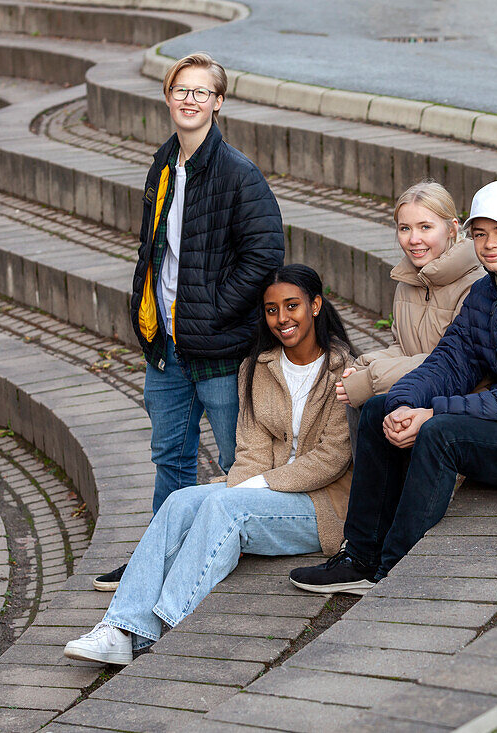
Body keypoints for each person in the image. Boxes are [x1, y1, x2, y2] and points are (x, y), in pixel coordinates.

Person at [289, 180, 497, 594]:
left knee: (441, 432)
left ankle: (392, 571)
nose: (490, 244)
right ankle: (360, 555)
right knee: (377, 411)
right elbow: (450, 361)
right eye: (481, 233)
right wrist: (403, 404)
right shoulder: (488, 292)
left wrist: (432, 413)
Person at [65, 265, 355, 665]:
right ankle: (119, 626)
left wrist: (252, 489)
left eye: (292, 306)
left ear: (316, 305)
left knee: (224, 507)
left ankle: (159, 629)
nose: (282, 319)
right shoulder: (257, 367)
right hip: (260, 491)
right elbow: (250, 448)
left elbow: (333, 458)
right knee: (181, 502)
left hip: (320, 505)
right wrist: (243, 486)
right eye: (272, 310)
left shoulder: (345, 368)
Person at [94, 53, 284, 592]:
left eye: (202, 92)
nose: (190, 99)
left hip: (221, 347)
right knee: (170, 457)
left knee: (236, 456)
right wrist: (147, 310)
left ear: (218, 103)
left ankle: (237, 555)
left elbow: (265, 256)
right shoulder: (163, 163)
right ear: (168, 96)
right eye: (181, 89)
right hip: (168, 346)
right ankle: (159, 557)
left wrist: (215, 310)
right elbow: (153, 249)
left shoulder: (239, 174)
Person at [336, 181, 484, 441]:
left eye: (425, 227)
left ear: (451, 229)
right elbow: (404, 348)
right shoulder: (409, 280)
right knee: (364, 402)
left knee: (373, 407)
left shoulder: (475, 284)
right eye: (405, 228)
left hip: (459, 399)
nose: (413, 239)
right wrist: (363, 365)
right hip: (417, 388)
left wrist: (371, 378)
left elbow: (448, 362)